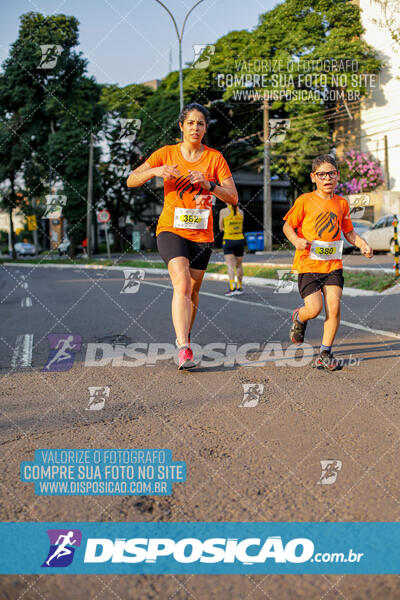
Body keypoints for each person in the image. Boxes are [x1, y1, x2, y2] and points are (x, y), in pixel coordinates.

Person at [127, 103, 238, 369]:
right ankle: (184, 348)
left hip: (202, 234)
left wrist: (210, 185)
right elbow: (131, 179)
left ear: (205, 128)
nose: (195, 128)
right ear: (181, 126)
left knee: (194, 291)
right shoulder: (166, 153)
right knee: (183, 286)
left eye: (200, 124)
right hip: (171, 229)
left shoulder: (215, 158)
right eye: (191, 123)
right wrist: (155, 171)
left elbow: (233, 197)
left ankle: (184, 335)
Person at [282, 154, 373, 371]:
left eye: (331, 173)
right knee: (314, 309)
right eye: (321, 174)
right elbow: (287, 226)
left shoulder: (341, 203)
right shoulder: (304, 200)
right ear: (313, 177)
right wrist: (296, 240)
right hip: (308, 264)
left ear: (337, 175)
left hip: (333, 264)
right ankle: (299, 316)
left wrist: (362, 244)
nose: (327, 178)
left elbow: (348, 232)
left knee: (334, 308)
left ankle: (325, 352)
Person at [219, 202, 245, 296]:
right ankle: (240, 287)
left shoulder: (223, 211)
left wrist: (226, 228)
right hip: (239, 240)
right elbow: (241, 227)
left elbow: (220, 227)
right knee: (239, 265)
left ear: (226, 201)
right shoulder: (241, 212)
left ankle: (232, 288)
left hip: (228, 240)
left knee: (230, 265)